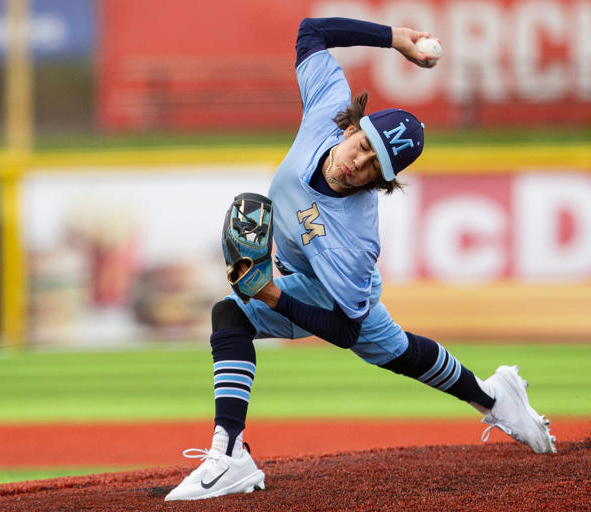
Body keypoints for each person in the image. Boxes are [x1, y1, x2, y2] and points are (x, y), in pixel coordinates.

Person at [165, 16, 556, 502]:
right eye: (364, 145)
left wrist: (271, 295)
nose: (359, 163)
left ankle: (228, 457)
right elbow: (311, 31)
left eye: (376, 169)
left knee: (241, 315)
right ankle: (496, 397)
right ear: (353, 125)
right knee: (400, 354)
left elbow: (346, 332)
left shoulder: (356, 239)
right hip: (305, 274)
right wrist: (396, 40)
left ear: (384, 183)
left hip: (340, 296)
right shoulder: (327, 107)